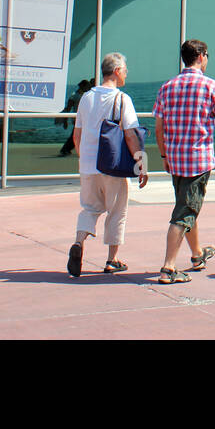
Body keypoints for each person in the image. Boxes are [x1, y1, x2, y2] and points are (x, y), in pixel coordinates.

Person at [153, 39, 215, 284]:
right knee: (184, 212)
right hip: (197, 160)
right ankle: (168, 268)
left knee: (187, 207)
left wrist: (163, 155)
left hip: (175, 159)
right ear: (202, 56)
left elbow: (158, 128)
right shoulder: (211, 86)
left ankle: (197, 255)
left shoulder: (167, 87)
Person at [67, 52, 147, 277]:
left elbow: (77, 135)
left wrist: (84, 159)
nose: (127, 74)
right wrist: (141, 162)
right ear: (117, 71)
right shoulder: (122, 99)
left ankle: (79, 242)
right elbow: (131, 135)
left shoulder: (86, 98)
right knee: (117, 210)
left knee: (90, 208)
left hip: (88, 165)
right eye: (126, 70)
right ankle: (112, 259)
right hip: (111, 166)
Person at [58, 78, 95, 156]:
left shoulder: (87, 95)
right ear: (83, 86)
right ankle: (65, 149)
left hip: (86, 118)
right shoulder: (74, 95)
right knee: (76, 135)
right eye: (87, 86)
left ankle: (67, 149)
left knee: (80, 135)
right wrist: (65, 121)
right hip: (77, 118)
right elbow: (68, 108)